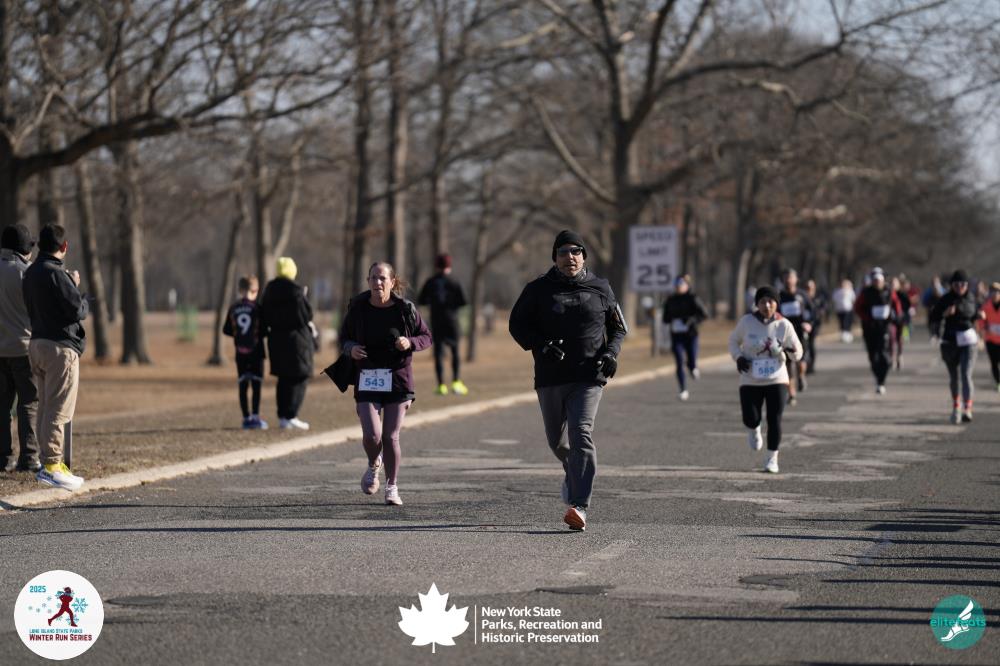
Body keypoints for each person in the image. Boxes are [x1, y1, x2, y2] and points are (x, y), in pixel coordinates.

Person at [509, 230, 628, 531]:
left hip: (589, 376)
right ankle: (572, 470)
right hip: (551, 377)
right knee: (557, 442)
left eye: (576, 251)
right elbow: (517, 325)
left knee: (580, 433)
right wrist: (541, 345)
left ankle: (579, 506)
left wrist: (611, 353)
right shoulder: (538, 289)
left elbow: (618, 329)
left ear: (584, 256)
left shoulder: (601, 287)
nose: (570, 257)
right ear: (555, 257)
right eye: (563, 252)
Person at [340, 262, 432, 506]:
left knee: (390, 436)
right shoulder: (357, 308)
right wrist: (351, 348)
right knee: (372, 435)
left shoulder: (405, 309)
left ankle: (392, 486)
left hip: (398, 379)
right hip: (368, 377)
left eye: (382, 278)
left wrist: (410, 342)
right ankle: (374, 463)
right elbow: (344, 337)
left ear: (392, 282)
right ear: (367, 281)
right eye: (373, 278)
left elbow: (426, 337)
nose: (378, 282)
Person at [22, 224, 88, 491]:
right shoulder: (57, 274)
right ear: (64, 246)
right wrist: (76, 288)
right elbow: (77, 311)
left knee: (45, 406)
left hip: (36, 343)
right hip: (59, 349)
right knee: (59, 409)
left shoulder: (30, 272)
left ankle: (51, 464)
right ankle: (52, 465)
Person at [729, 286, 803, 474]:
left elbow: (798, 352)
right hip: (750, 378)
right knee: (750, 417)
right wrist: (738, 357)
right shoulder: (747, 322)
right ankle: (754, 429)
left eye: (771, 301)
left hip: (777, 378)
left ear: (776, 304)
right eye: (762, 302)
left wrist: (791, 351)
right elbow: (733, 341)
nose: (767, 305)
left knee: (774, 418)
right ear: (757, 304)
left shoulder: (783, 325)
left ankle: (772, 459)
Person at [0, 225, 40, 474]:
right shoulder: (27, 274)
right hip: (24, 348)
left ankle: (4, 457)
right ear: (24, 249)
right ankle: (29, 456)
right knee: (29, 403)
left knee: (2, 406)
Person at [259, 257, 314, 430]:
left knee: (283, 378)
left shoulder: (269, 291)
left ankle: (283, 416)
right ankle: (291, 415)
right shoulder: (296, 291)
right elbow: (306, 316)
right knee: (299, 376)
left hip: (276, 340)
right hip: (297, 341)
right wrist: (304, 297)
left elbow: (264, 316)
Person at [929, 270, 983, 423]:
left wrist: (978, 316)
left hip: (968, 342)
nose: (960, 287)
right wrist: (945, 314)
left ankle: (967, 408)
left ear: (967, 285)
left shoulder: (971, 298)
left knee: (966, 374)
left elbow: (973, 312)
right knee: (954, 377)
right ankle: (956, 407)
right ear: (951, 285)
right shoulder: (945, 300)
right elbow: (933, 318)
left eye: (963, 284)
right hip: (949, 343)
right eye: (956, 284)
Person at [418, 253, 468, 396]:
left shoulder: (430, 282)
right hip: (452, 321)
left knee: (438, 354)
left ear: (436, 266)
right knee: (455, 351)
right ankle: (456, 383)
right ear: (449, 265)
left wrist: (433, 303)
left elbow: (421, 300)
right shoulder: (455, 281)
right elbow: (463, 301)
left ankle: (441, 386)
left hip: (436, 321)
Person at [223, 276, 267, 430]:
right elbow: (264, 330)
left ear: (240, 290)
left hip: (240, 353)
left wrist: (239, 337)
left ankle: (246, 418)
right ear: (256, 291)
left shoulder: (233, 308)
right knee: (256, 385)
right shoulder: (258, 309)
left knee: (243, 385)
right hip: (257, 352)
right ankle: (255, 416)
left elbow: (226, 330)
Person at [854, 267, 902, 396]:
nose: (877, 283)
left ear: (883, 280)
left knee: (885, 357)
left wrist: (895, 316)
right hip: (870, 328)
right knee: (873, 357)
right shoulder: (866, 292)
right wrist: (868, 317)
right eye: (875, 280)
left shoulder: (889, 291)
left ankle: (881, 381)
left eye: (879, 280)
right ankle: (878, 380)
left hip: (885, 327)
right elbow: (857, 307)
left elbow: (897, 305)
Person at [661, 274, 709, 401]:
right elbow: (665, 318)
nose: (678, 287)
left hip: (691, 335)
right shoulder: (670, 300)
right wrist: (672, 319)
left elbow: (704, 314)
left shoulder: (693, 298)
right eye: (676, 285)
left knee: (692, 359)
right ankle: (683, 390)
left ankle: (693, 367)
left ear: (687, 286)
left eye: (681, 285)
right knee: (679, 361)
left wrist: (692, 320)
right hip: (676, 336)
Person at [778, 269, 813, 404]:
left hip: (800, 332)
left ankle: (801, 375)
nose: (788, 280)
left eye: (790, 277)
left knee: (800, 362)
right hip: (785, 334)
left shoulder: (802, 295)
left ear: (796, 279)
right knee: (787, 364)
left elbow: (812, 311)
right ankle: (791, 394)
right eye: (785, 278)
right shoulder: (779, 296)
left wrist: (809, 323)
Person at [981, 282, 1000, 393]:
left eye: (997, 292)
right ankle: (998, 382)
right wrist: (984, 327)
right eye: (992, 292)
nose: (995, 294)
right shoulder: (986, 307)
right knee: (994, 363)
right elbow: (981, 320)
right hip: (991, 340)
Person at [804, 279, 826, 374]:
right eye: (807, 288)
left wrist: (820, 313)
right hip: (804, 325)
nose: (809, 289)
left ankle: (811, 365)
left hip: (814, 325)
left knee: (811, 344)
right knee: (804, 345)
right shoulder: (802, 297)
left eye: (811, 287)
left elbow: (823, 308)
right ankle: (804, 364)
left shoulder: (818, 298)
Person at [890, 276, 911, 371]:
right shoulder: (887, 294)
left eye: (895, 283)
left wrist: (901, 313)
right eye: (892, 284)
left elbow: (908, 306)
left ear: (898, 285)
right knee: (892, 338)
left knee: (900, 339)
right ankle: (892, 358)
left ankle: (900, 356)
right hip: (891, 321)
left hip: (901, 320)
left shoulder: (902, 295)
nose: (893, 285)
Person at [832, 278, 856, 343]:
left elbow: (853, 299)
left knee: (847, 322)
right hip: (839, 309)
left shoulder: (849, 291)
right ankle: (843, 334)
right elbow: (834, 299)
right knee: (841, 322)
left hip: (848, 309)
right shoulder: (837, 291)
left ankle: (847, 334)